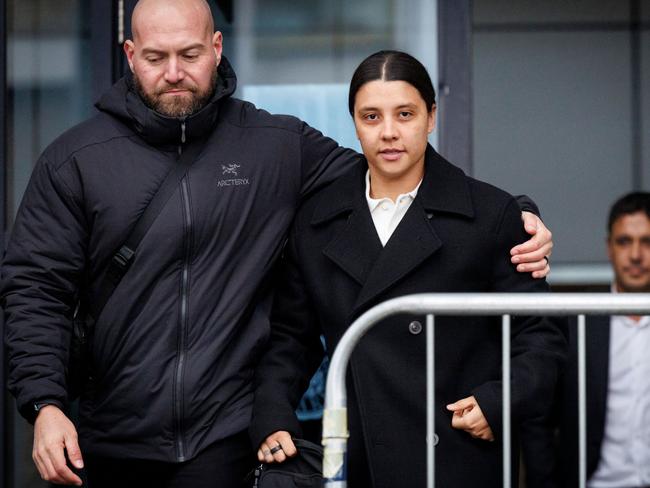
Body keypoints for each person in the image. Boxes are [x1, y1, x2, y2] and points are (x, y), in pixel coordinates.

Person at [2, 1, 552, 486]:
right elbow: (35, 286)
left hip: (223, 441)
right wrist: (44, 403)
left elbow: (395, 179)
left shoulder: (277, 146)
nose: (174, 73)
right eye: (155, 57)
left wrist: (516, 215)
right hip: (110, 431)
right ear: (128, 53)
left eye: (190, 53)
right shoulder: (75, 158)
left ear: (217, 48)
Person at [250, 50, 568, 488]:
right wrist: (272, 409)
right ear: (355, 124)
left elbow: (541, 335)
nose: (389, 133)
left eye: (405, 114)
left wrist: (499, 402)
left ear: (431, 117)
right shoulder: (318, 221)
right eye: (371, 117)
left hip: (458, 450)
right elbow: (292, 337)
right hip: (359, 452)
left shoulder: (491, 214)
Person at [555, 192, 650, 488]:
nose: (636, 254)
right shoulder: (578, 322)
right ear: (609, 247)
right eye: (625, 241)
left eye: (647, 241)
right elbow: (540, 419)